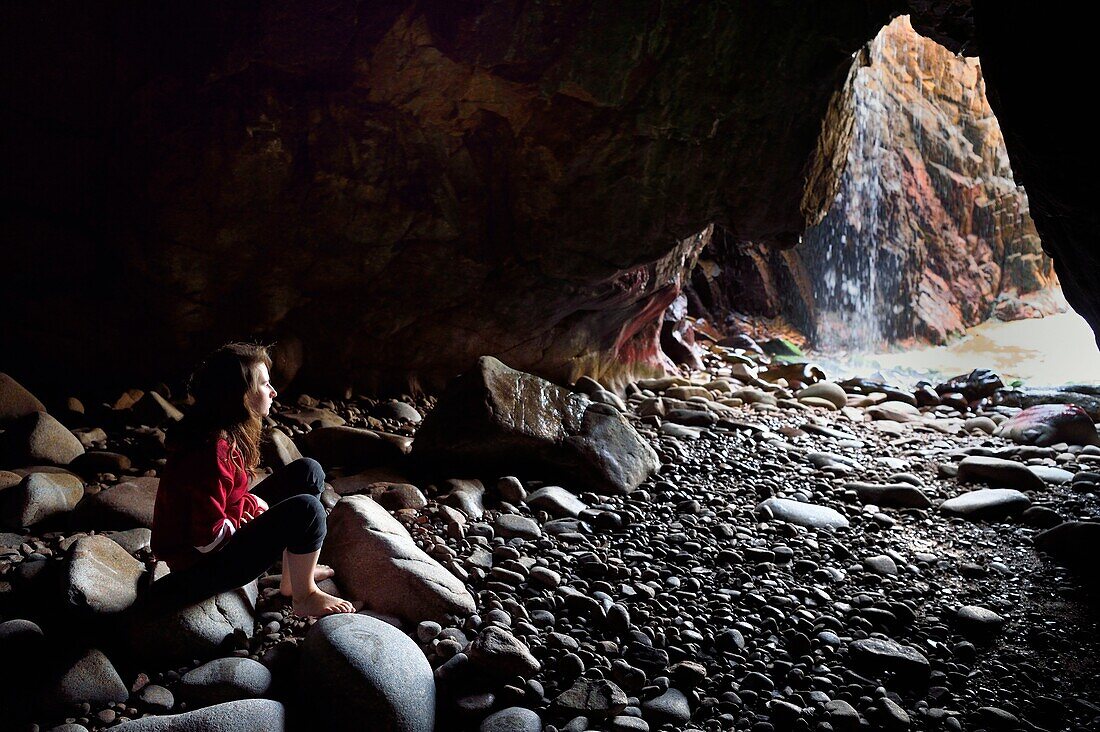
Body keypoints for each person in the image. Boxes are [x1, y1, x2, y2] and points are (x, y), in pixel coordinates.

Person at [147, 342, 354, 617]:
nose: (273, 392)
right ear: (240, 395)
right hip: (200, 566)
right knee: (308, 510)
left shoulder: (222, 428)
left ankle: (294, 576)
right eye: (265, 384)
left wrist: (246, 507)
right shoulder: (210, 448)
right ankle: (305, 596)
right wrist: (247, 511)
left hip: (215, 540)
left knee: (308, 471)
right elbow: (205, 541)